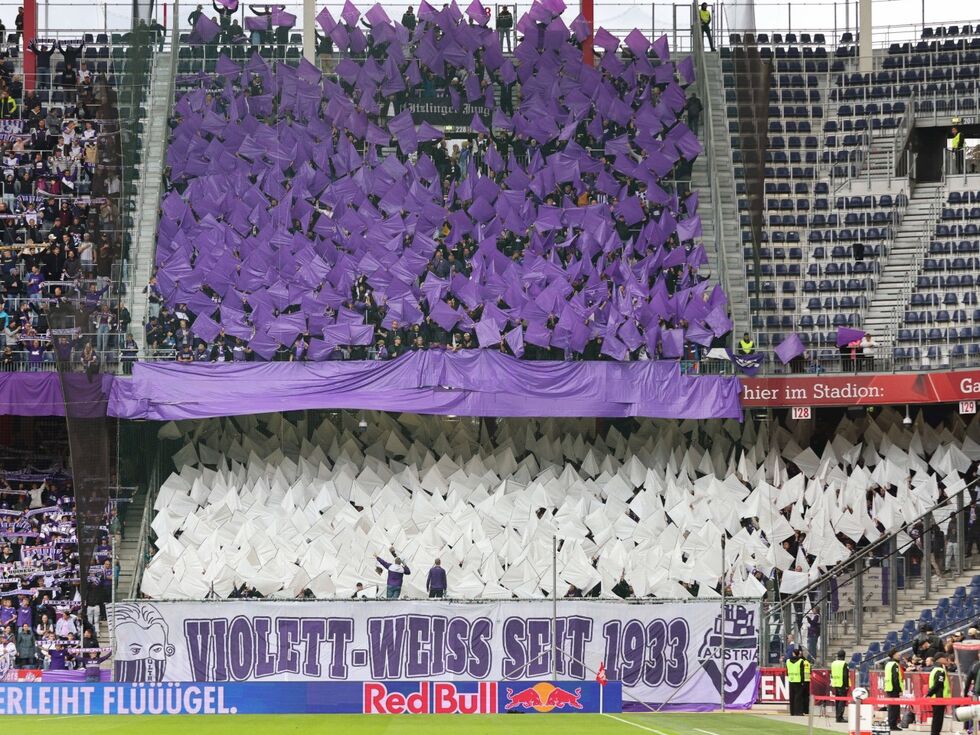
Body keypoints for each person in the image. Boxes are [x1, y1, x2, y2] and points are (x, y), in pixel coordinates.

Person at [927, 654, 950, 735]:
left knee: (937, 717)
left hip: (936, 697)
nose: (946, 659)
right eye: (945, 658)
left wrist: (929, 694)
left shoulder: (935, 669)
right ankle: (935, 733)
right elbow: (938, 684)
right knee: (938, 718)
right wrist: (929, 694)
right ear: (940, 659)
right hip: (939, 698)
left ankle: (935, 732)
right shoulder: (940, 670)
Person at [884, 648, 904, 731]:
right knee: (895, 708)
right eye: (898, 654)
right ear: (893, 655)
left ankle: (891, 724)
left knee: (891, 707)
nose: (899, 656)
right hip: (894, 689)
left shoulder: (888, 664)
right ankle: (893, 725)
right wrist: (899, 689)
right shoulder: (895, 665)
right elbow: (895, 678)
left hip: (889, 687)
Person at [830, 650, 849, 723]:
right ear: (844, 656)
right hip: (842, 684)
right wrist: (846, 685)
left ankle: (837, 716)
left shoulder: (833, 663)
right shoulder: (844, 664)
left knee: (837, 700)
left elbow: (831, 673)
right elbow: (845, 676)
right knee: (842, 701)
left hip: (835, 683)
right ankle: (840, 717)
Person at [785, 647, 804, 716]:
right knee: (798, 697)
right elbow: (802, 672)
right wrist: (802, 681)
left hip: (791, 679)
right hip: (798, 680)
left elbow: (787, 671)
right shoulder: (801, 661)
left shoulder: (787, 661)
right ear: (799, 654)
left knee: (792, 696)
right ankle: (798, 712)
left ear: (793, 653)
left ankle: (792, 712)